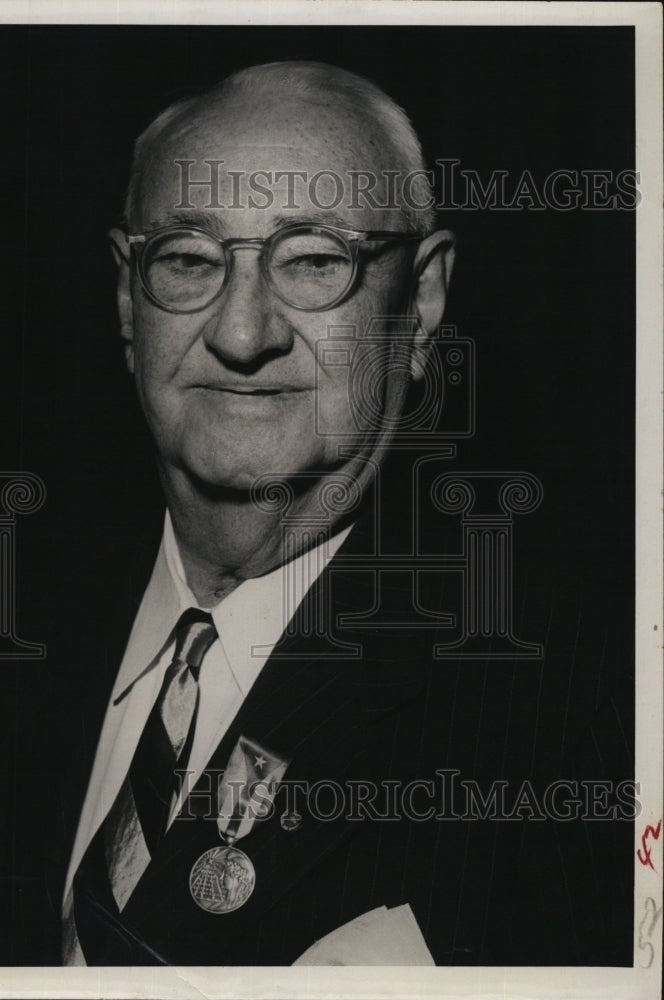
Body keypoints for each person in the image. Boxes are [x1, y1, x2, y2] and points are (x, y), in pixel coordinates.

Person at [61, 60, 632, 967]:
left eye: (315, 262)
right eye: (188, 259)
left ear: (422, 299)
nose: (242, 334)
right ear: (129, 297)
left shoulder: (584, 717)